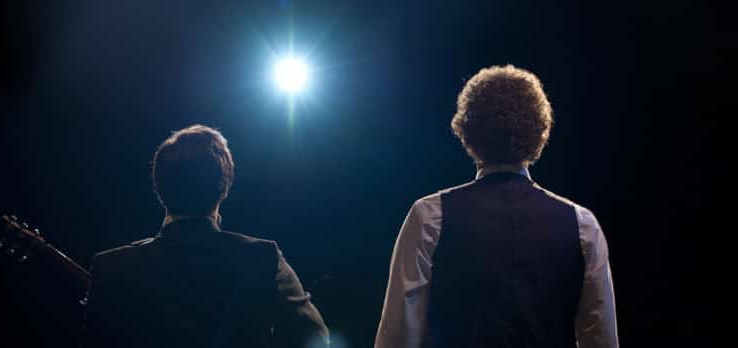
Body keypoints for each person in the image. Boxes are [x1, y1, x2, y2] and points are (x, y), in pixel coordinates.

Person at [375, 64, 618, 348]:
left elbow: (399, 336)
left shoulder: (429, 216)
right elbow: (601, 338)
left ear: (468, 130)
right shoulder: (581, 225)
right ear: (539, 130)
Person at [82, 124, 329, 348]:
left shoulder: (111, 267)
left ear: (159, 187)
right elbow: (315, 337)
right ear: (223, 188)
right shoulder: (261, 257)